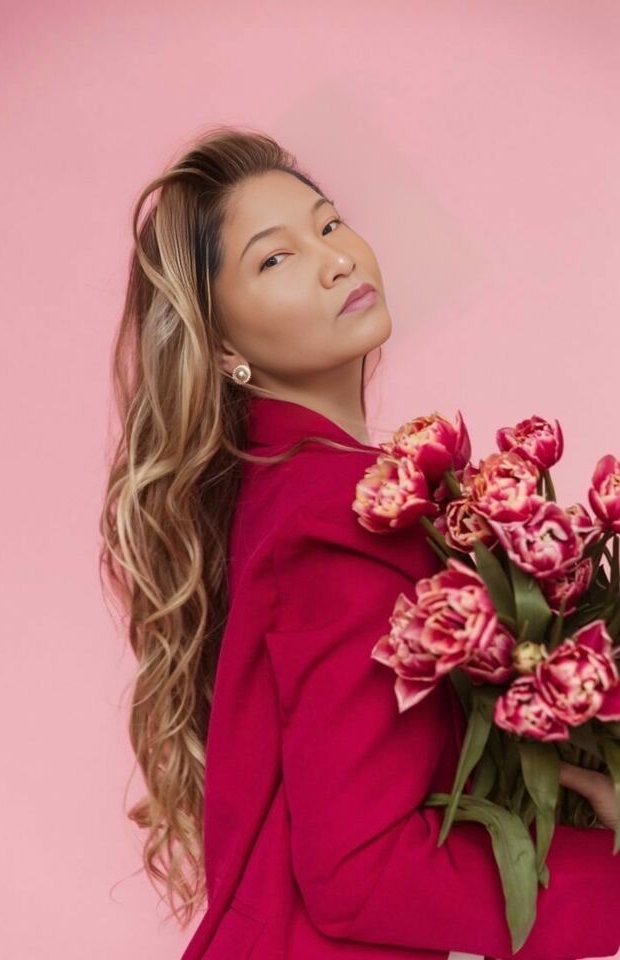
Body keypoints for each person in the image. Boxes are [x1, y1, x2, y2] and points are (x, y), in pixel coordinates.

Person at [99, 125, 620, 960]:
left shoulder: (279, 488)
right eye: (276, 258)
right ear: (223, 346)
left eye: (330, 223)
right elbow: (360, 868)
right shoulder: (336, 515)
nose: (336, 260)